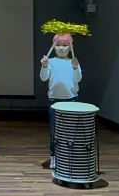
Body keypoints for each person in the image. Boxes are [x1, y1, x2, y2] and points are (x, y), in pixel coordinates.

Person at [39, 33, 82, 169]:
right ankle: (54, 157)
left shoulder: (73, 62)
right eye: (57, 45)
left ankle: (69, 156)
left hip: (71, 100)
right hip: (54, 102)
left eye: (65, 45)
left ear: (70, 47)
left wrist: (75, 67)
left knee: (71, 131)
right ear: (53, 47)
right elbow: (43, 78)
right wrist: (44, 66)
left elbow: (78, 79)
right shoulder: (50, 62)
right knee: (54, 131)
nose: (61, 48)